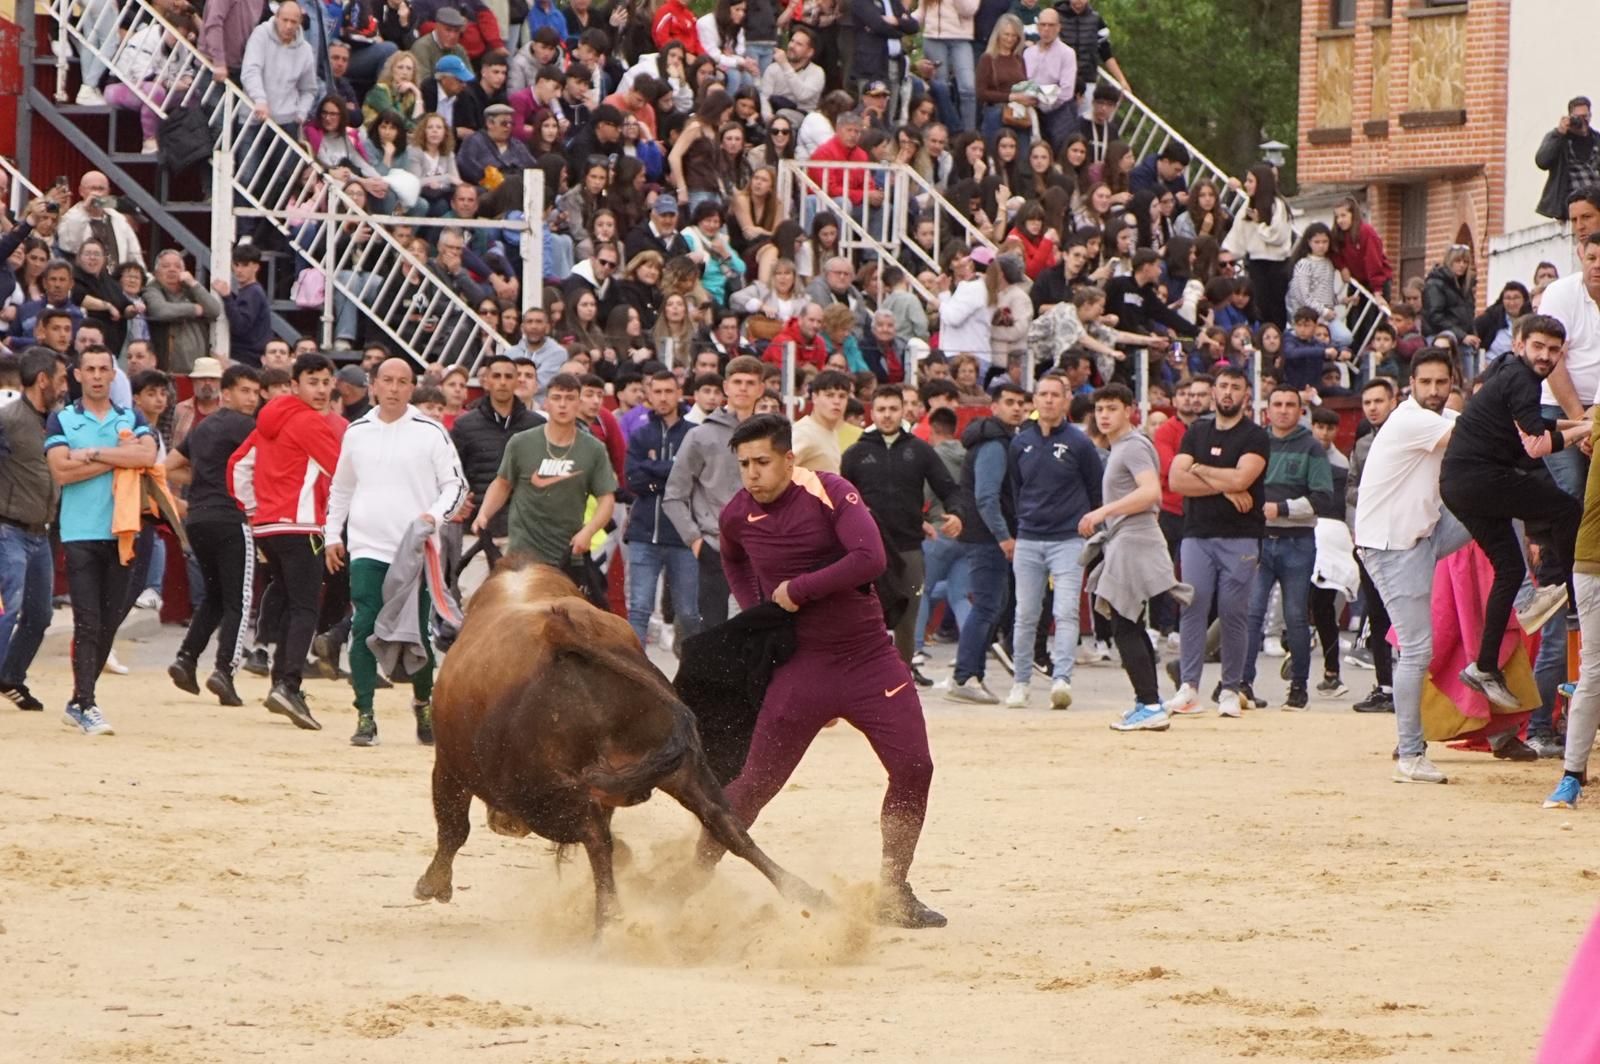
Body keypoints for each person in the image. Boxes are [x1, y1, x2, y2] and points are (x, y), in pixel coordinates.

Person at [697, 413, 944, 929]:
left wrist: (798, 590)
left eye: (763, 462)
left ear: (789, 459)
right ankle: (687, 884)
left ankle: (893, 890)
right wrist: (758, 609)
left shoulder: (830, 491)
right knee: (753, 784)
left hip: (869, 660)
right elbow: (732, 560)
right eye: (743, 464)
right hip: (802, 667)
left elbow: (870, 558)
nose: (752, 474)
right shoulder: (737, 513)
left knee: (915, 768)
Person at [1440, 315, 1587, 709]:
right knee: (1565, 508)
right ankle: (1575, 600)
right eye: (1539, 347)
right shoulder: (1522, 378)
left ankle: (1484, 666)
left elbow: (1535, 424)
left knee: (1509, 569)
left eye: (1553, 350)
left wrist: (1578, 422)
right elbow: (1536, 445)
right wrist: (1586, 431)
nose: (1546, 356)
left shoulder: (1507, 370)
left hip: (1458, 485)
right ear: (1520, 344)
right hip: (1481, 479)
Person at [326, 358, 466, 747]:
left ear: (412, 388)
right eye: (386, 380)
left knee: (417, 631)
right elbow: (342, 488)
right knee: (364, 625)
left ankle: (423, 702)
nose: (393, 388)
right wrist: (332, 533)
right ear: (373, 385)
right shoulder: (357, 431)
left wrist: (434, 516)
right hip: (367, 545)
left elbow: (455, 486)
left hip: (414, 548)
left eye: (402, 382)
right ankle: (365, 715)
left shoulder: (430, 431)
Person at [1353, 349, 1468, 783]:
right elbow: (1484, 436)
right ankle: (1410, 754)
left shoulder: (1440, 418)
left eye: (1441, 382)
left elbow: (1489, 432)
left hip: (1424, 534)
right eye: (1426, 383)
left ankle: (1527, 595)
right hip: (1392, 547)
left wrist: (1573, 427)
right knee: (1416, 650)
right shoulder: (1411, 420)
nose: (1434, 390)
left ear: (1452, 383)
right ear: (1411, 385)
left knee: (1494, 498)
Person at [227, 353, 345, 732]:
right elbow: (342, 471)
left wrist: (253, 510)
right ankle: (288, 685)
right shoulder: (310, 422)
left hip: (268, 527)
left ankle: (280, 680)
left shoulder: (268, 420)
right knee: (305, 609)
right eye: (313, 382)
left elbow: (238, 466)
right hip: (303, 525)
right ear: (295, 385)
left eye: (326, 382)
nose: (321, 390)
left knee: (288, 600)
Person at [46, 347, 159, 736]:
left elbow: (147, 455)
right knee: (88, 621)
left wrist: (92, 454)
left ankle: (79, 700)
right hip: (79, 531)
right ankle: (86, 702)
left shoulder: (130, 416)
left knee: (109, 622)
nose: (96, 376)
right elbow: (61, 471)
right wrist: (118, 456)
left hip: (121, 531)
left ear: (114, 375)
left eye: (103, 369)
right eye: (90, 369)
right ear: (78, 375)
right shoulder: (63, 417)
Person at [1078, 383, 1184, 731]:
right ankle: (1147, 701)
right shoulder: (1124, 446)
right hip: (1129, 538)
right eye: (1100, 409)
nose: (1104, 415)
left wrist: (1102, 512)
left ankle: (1150, 704)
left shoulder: (1133, 446)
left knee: (1124, 624)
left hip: (1133, 539)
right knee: (1129, 623)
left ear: (1129, 410)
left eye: (1112, 408)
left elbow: (1151, 492)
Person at [1165, 366, 1268, 718]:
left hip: (1241, 535)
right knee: (1192, 608)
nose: (1227, 392)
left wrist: (1200, 469)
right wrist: (1226, 487)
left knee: (1233, 612)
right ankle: (1189, 687)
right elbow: (1176, 481)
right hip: (1197, 533)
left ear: (1246, 395)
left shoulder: (1255, 436)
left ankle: (1230, 688)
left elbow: (1243, 478)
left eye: (1235, 387)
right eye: (1222, 386)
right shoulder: (1196, 431)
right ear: (1213, 391)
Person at [842, 388, 964, 665]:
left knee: (907, 622)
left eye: (893, 409)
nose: (887, 415)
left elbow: (949, 489)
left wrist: (957, 514)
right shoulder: (855, 453)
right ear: (872, 413)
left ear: (903, 412)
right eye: (881, 409)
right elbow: (841, 501)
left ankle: (902, 679)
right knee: (862, 620)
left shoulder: (920, 450)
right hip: (866, 550)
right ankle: (866, 681)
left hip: (909, 548)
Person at [165, 364, 263, 707]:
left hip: (198, 518)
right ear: (227, 393)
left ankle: (186, 658)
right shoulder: (248, 426)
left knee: (215, 597)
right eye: (245, 391)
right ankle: (225, 671)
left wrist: (207, 479)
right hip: (230, 518)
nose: (251, 398)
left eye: (255, 392)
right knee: (239, 599)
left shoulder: (204, 427)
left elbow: (168, 467)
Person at [1002, 372, 1100, 709]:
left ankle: (1062, 679)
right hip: (1029, 538)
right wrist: (1023, 523)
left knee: (1066, 611)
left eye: (1055, 394)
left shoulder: (1079, 443)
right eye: (1042, 394)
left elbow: (1094, 488)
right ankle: (1021, 682)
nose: (1048, 400)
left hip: (1068, 539)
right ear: (1034, 400)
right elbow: (1016, 488)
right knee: (1025, 614)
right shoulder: (1020, 443)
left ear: (1066, 400)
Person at [469, 372, 616, 590]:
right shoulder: (521, 442)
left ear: (579, 403)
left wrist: (588, 532)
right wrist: (484, 514)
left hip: (569, 552)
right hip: (522, 554)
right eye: (556, 398)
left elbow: (607, 499)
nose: (563, 405)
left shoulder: (593, 449)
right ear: (546, 403)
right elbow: (502, 484)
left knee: (577, 609)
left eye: (570, 398)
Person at [1238, 385, 1334, 711]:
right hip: (1259, 540)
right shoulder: (1255, 442)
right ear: (1267, 410)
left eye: (1289, 404)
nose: (1283, 410)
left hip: (1297, 542)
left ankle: (1299, 687)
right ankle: (1243, 684)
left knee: (1295, 617)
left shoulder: (1312, 447)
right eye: (1277, 404)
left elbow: (1323, 498)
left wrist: (1279, 509)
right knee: (1251, 614)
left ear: (1300, 409)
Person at [663, 354, 764, 632]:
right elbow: (674, 495)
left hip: (763, 547)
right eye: (737, 382)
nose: (743, 388)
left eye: (750, 383)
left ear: (760, 389)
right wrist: (695, 541)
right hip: (715, 547)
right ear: (726, 387)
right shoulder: (700, 436)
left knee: (761, 630)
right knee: (714, 632)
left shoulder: (771, 435)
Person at [946, 382, 1029, 703]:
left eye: (1020, 402)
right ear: (994, 407)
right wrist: (1003, 536)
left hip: (985, 535)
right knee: (986, 605)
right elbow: (986, 497)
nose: (1016, 408)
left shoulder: (999, 439)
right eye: (1009, 402)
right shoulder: (995, 444)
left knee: (991, 604)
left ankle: (971, 674)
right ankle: (964, 676)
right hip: (987, 537)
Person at [0, 348, 67, 713]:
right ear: (43, 380)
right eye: (60, 378)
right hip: (8, 528)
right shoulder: (8, 419)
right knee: (8, 609)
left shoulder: (58, 421)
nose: (64, 385)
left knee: (40, 614)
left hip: (40, 532)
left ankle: (10, 676)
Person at [448, 353, 543, 582]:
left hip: (522, 532)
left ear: (516, 381)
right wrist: (457, 501)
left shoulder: (538, 426)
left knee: (519, 598)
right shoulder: (464, 426)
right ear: (486, 380)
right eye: (497, 376)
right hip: (477, 528)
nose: (502, 382)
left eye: (508, 377)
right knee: (472, 595)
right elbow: (451, 474)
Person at [623, 369, 700, 646]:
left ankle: (692, 668)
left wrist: (652, 467)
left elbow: (693, 478)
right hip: (644, 534)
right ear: (649, 395)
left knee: (689, 613)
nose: (663, 397)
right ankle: (635, 670)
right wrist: (672, 472)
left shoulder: (694, 434)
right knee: (639, 610)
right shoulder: (640, 435)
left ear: (679, 394)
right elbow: (633, 480)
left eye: (669, 391)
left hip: (684, 536)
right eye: (657, 392)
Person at [1347, 377, 1397, 714]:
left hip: (1405, 537)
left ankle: (1415, 686)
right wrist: (1372, 497)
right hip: (1370, 539)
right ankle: (1384, 686)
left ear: (1393, 402)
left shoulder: (1406, 437)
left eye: (1379, 401)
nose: (1373, 408)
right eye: (1367, 403)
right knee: (1376, 614)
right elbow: (1351, 489)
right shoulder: (1363, 445)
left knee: (1406, 617)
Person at [143, 251, 224, 375]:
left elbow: (214, 310)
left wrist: (194, 284)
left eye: (177, 266)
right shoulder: (152, 290)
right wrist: (193, 309)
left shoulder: (191, 290)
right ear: (156, 272)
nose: (172, 270)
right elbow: (161, 311)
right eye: (166, 266)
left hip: (198, 367)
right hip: (169, 369)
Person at [1536, 96, 1600, 222]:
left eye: (1585, 117)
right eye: (1578, 117)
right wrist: (1560, 133)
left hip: (1596, 202)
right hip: (1571, 203)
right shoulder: (1559, 138)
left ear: (1590, 116)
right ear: (1570, 117)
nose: (1582, 121)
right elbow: (1542, 161)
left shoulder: (1597, 139)